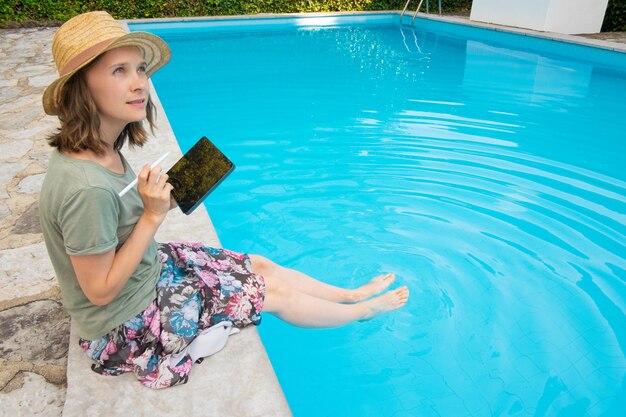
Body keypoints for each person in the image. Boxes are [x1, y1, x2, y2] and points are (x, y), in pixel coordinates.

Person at [39, 11, 409, 389]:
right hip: (125, 323)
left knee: (260, 264)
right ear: (81, 88)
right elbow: (99, 291)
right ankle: (364, 311)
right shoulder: (86, 187)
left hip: (145, 273)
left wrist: (157, 201)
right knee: (272, 293)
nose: (139, 84)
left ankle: (349, 295)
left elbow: (113, 226)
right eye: (119, 71)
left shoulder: (101, 148)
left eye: (141, 69)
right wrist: (150, 217)